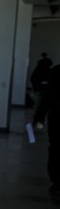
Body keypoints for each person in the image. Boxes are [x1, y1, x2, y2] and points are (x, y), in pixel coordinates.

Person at [45, 63, 60, 194]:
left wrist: (39, 116)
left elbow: (48, 97)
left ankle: (56, 180)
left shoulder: (56, 71)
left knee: (55, 148)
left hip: (57, 116)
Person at [31, 52, 53, 129]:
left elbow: (32, 79)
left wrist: (36, 88)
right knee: (43, 108)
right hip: (46, 91)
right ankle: (39, 122)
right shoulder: (50, 71)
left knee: (39, 107)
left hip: (38, 90)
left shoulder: (37, 70)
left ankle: (37, 122)